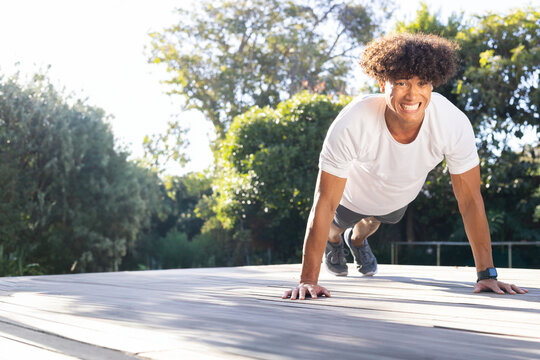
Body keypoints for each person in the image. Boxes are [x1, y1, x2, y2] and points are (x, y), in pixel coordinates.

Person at [282, 32, 528, 300]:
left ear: (432, 85)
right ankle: (335, 242)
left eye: (422, 83)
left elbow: (470, 200)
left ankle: (357, 242)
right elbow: (325, 202)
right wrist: (308, 280)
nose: (413, 94)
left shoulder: (452, 123)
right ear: (381, 83)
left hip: (396, 201)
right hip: (350, 199)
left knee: (372, 222)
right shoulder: (353, 121)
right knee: (334, 225)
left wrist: (487, 275)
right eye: (401, 83)